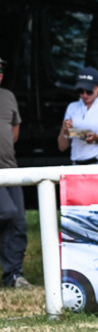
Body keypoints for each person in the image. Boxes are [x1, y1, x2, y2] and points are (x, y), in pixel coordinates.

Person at [0, 57, 30, 288]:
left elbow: (15, 133)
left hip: (10, 168)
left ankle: (13, 275)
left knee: (19, 222)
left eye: (0, 69)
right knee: (6, 213)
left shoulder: (8, 96)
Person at [58, 66, 98, 165]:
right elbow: (62, 147)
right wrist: (64, 130)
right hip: (77, 164)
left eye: (89, 91)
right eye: (80, 91)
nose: (85, 95)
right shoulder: (72, 107)